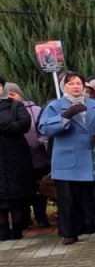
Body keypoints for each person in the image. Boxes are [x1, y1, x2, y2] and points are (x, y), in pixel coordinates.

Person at [39, 71, 95, 244]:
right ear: (63, 87)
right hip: (68, 159)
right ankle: (69, 232)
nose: (75, 87)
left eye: (78, 84)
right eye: (71, 83)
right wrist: (65, 116)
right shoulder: (55, 106)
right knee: (68, 199)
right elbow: (44, 128)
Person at [6, 83, 50, 228]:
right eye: (8, 94)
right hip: (16, 160)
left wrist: (42, 142)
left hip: (38, 158)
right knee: (22, 190)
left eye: (14, 93)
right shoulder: (5, 111)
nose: (11, 96)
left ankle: (41, 217)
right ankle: (24, 219)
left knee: (40, 191)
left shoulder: (35, 110)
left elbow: (42, 129)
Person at [0, 78, 34, 240]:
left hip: (16, 156)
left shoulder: (15, 105)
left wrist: (5, 127)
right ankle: (2, 230)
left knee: (18, 194)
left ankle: (17, 229)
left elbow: (24, 124)